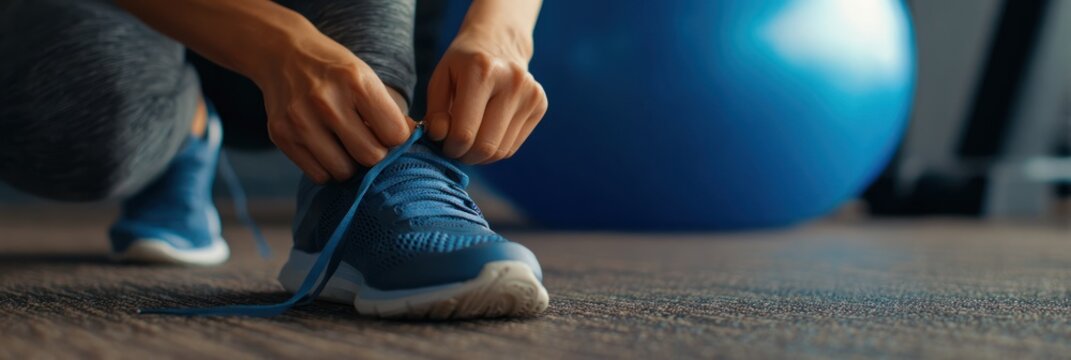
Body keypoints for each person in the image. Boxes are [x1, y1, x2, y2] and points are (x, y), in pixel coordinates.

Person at [0, 0, 549, 319]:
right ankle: (187, 129)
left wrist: (502, 32)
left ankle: (356, 176)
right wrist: (276, 45)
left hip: (355, 25)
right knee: (66, 115)